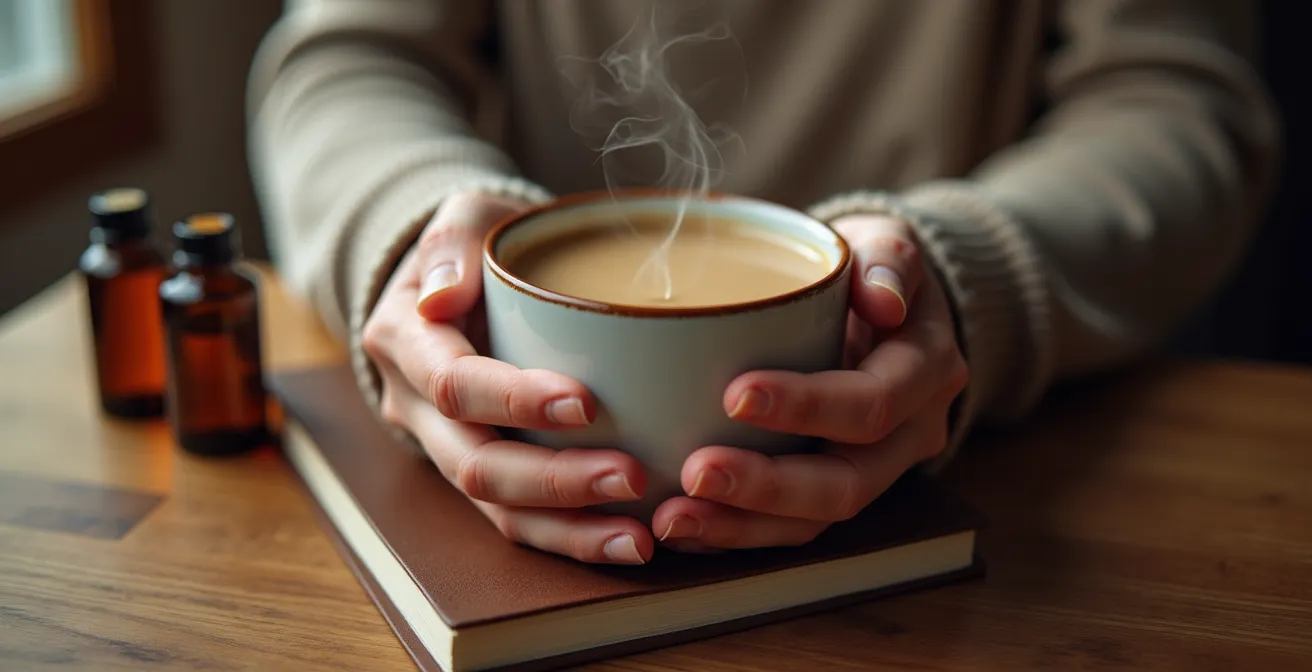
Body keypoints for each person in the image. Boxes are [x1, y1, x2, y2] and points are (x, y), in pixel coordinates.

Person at [245, 1, 1280, 565]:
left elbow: (1171, 103)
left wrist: (972, 283)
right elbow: (349, 58)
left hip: (991, 498)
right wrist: (417, 239)